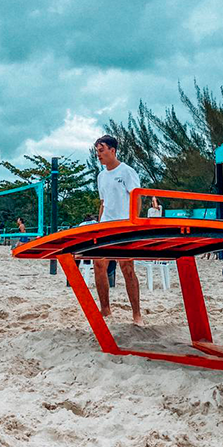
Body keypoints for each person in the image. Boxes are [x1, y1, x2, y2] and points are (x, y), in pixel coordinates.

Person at [93, 135, 143, 326]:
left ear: (112, 150)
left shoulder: (127, 171)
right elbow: (103, 203)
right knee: (99, 264)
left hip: (124, 225)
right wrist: (99, 225)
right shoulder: (101, 176)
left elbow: (136, 197)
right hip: (106, 225)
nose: (99, 154)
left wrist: (134, 223)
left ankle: (136, 314)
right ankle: (105, 311)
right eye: (97, 151)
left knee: (127, 268)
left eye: (101, 150)